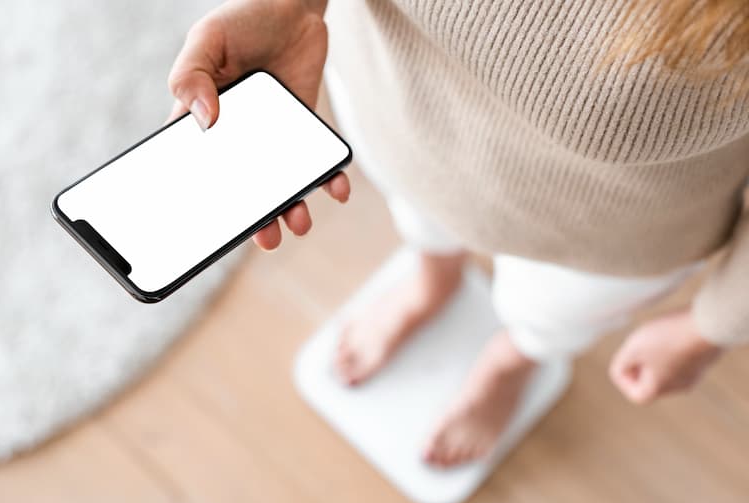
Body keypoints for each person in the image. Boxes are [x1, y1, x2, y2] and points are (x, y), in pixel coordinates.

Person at [167, 0, 749, 468]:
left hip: (610, 236)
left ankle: (512, 362)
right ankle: (431, 280)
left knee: (546, 316)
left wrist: (714, 325)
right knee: (419, 218)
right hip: (397, 114)